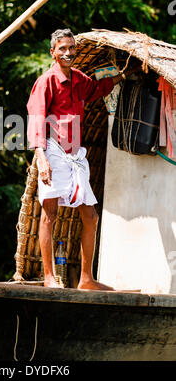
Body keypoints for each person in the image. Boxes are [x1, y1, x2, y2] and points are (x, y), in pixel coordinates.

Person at [27, 28, 127, 289]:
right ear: (53, 52)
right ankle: (49, 277)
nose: (68, 53)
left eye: (71, 48)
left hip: (75, 155)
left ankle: (86, 279)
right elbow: (36, 120)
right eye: (62, 49)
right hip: (53, 151)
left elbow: (96, 89)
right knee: (49, 213)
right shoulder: (45, 81)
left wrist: (123, 75)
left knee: (90, 216)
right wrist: (42, 158)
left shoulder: (79, 79)